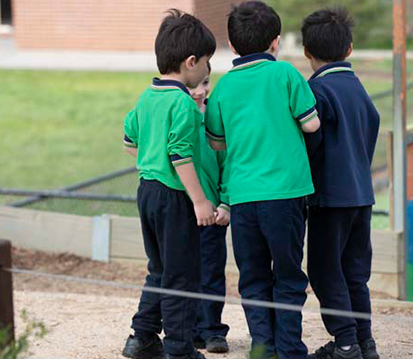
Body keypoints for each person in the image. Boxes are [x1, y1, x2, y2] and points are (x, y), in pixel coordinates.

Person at [204, 2, 320, 358]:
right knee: (288, 274)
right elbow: (311, 123)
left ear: (234, 46)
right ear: (276, 41)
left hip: (241, 197)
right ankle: (290, 348)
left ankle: (263, 346)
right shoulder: (286, 75)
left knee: (252, 276)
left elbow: (216, 142)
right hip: (286, 194)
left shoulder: (223, 87)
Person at [121, 9, 217, 359]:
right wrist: (200, 201)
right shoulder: (183, 103)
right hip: (175, 197)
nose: (207, 70)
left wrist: (152, 161)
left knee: (160, 269)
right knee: (182, 276)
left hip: (147, 190)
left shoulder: (147, 97)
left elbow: (130, 140)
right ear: (192, 62)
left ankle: (142, 337)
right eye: (207, 62)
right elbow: (180, 156)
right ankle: (179, 349)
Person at [301, 8, 381, 359]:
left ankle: (345, 342)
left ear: (306, 52)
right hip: (362, 194)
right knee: (355, 271)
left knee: (323, 268)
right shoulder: (357, 87)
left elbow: (311, 144)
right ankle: (365, 341)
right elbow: (372, 127)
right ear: (349, 48)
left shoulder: (316, 90)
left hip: (330, 197)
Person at [188, 64, 231, 354]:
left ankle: (212, 330)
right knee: (182, 273)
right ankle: (187, 330)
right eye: (193, 86)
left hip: (213, 214)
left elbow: (228, 164)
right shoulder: (176, 115)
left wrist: (226, 202)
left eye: (205, 83)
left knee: (212, 273)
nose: (200, 91)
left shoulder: (216, 120)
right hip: (182, 213)